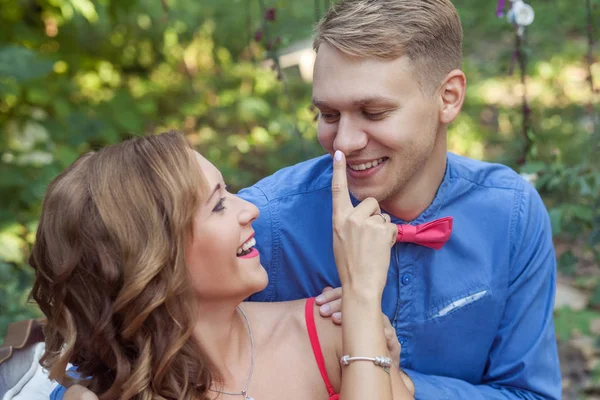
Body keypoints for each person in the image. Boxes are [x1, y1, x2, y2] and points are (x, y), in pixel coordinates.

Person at [59, 0, 562, 398]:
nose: (344, 141)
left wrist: (393, 385)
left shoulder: (510, 214)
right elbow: (127, 330)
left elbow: (528, 395)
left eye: (372, 111)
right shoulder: (261, 226)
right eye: (327, 114)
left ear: (448, 98)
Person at [31, 131, 414, 399]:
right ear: (155, 257)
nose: (251, 210)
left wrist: (363, 306)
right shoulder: (107, 391)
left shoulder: (332, 332)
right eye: (218, 204)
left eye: (228, 191)